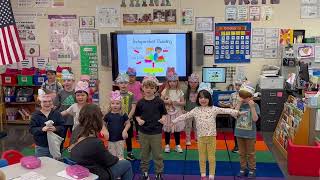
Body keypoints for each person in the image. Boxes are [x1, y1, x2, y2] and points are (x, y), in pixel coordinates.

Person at [172, 83, 241, 180]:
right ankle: (203, 175)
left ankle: (212, 175)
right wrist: (174, 121)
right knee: (202, 157)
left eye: (205, 98)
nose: (203, 100)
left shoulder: (213, 109)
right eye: (200, 98)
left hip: (211, 137)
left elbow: (226, 111)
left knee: (212, 157)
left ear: (209, 99)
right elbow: (185, 116)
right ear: (198, 99)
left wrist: (237, 112)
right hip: (201, 137)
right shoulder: (196, 110)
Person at [70, 104, 133, 180]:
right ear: (98, 119)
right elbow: (109, 162)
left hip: (79, 169)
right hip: (95, 173)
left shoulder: (76, 130)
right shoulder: (95, 142)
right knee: (126, 164)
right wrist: (118, 158)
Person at [135, 75, 167, 180]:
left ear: (156, 89)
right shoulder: (140, 102)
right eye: (147, 87)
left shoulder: (159, 102)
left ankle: (159, 173)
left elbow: (164, 113)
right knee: (144, 154)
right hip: (143, 132)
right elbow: (137, 115)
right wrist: (139, 120)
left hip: (156, 132)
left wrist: (163, 118)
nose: (149, 89)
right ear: (142, 88)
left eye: (152, 88)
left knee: (157, 154)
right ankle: (145, 173)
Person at [235, 82, 260, 179]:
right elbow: (234, 115)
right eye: (243, 97)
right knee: (241, 153)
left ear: (251, 97)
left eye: (246, 97)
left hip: (250, 134)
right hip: (239, 133)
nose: (244, 99)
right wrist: (239, 103)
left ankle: (252, 169)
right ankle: (243, 168)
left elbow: (255, 119)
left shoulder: (255, 106)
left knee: (251, 153)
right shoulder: (239, 105)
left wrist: (252, 106)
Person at [29, 89, 65, 157]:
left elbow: (62, 127)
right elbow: (31, 130)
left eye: (49, 101)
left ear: (52, 102)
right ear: (40, 103)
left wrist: (55, 128)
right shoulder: (35, 115)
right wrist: (42, 129)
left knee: (56, 163)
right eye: (44, 101)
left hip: (56, 145)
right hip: (41, 147)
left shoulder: (57, 114)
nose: (47, 104)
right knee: (42, 164)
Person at [161, 67, 185, 153]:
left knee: (177, 130)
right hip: (168, 113)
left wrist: (175, 102)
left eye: (174, 81)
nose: (172, 83)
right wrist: (166, 102)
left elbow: (183, 103)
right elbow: (161, 101)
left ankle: (177, 145)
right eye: (170, 81)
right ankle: (167, 145)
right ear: (168, 82)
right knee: (167, 130)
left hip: (177, 113)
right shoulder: (165, 91)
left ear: (177, 82)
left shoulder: (179, 91)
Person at [103, 90, 131, 159]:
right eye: (113, 103)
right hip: (111, 138)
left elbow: (128, 124)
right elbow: (103, 124)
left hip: (120, 138)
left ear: (121, 105)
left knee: (120, 154)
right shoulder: (108, 115)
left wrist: (125, 130)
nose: (115, 105)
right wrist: (105, 131)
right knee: (112, 154)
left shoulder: (123, 114)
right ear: (110, 104)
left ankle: (120, 165)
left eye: (117, 103)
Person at [115, 73, 136, 160]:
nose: (123, 85)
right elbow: (112, 106)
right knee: (117, 137)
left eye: (125, 83)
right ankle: (118, 153)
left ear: (128, 83)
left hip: (128, 121)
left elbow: (133, 107)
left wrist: (127, 118)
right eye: (121, 83)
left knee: (128, 137)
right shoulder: (115, 94)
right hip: (117, 120)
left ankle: (129, 152)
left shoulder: (131, 95)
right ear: (118, 84)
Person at [54, 69, 75, 139]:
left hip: (73, 120)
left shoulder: (76, 93)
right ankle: (60, 149)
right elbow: (55, 106)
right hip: (63, 120)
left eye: (69, 80)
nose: (66, 83)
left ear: (73, 81)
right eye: (64, 81)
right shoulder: (60, 93)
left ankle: (73, 149)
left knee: (74, 138)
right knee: (61, 138)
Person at [126, 67, 142, 139]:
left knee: (137, 119)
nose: (131, 78)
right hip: (129, 105)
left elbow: (144, 90)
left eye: (132, 77)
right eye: (129, 77)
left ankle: (138, 133)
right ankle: (130, 133)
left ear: (135, 77)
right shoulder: (125, 85)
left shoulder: (138, 84)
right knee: (130, 119)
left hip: (138, 105)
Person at [184, 73, 200, 145]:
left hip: (197, 112)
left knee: (197, 126)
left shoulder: (199, 92)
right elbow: (183, 102)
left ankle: (197, 138)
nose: (193, 84)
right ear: (188, 83)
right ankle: (188, 139)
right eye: (191, 82)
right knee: (188, 126)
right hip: (188, 111)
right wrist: (183, 109)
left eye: (195, 82)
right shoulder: (186, 92)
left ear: (198, 83)